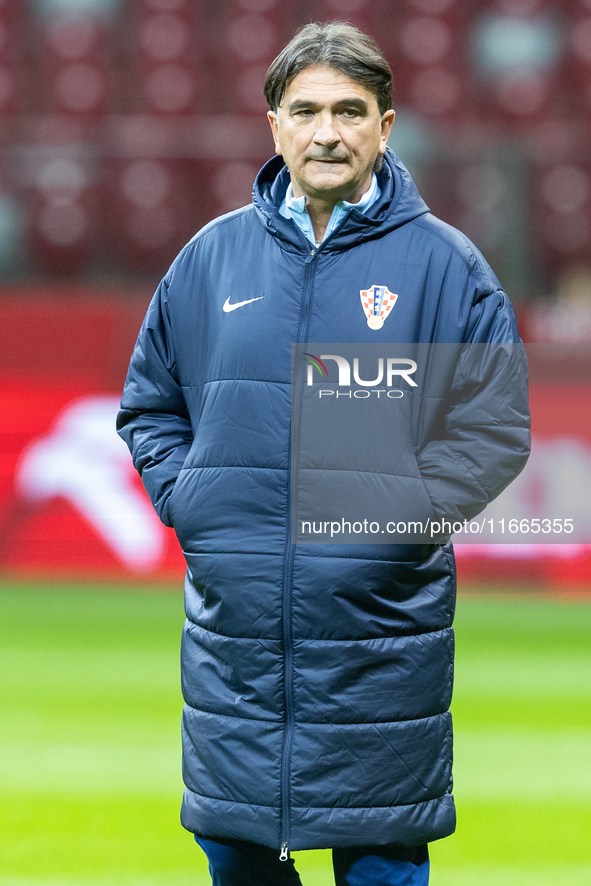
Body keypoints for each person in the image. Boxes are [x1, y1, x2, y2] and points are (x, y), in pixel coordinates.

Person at [117, 21, 530, 886]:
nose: (327, 131)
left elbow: (493, 429)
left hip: (380, 643)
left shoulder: (445, 268)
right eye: (305, 110)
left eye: (350, 111)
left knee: (379, 866)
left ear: (385, 126)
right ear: (273, 125)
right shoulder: (209, 261)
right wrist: (197, 504)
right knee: (233, 857)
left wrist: (391, 529)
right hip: (237, 645)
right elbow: (150, 406)